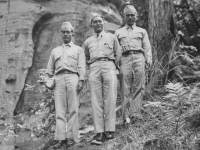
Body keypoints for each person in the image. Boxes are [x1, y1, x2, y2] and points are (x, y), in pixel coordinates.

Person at [45, 21, 86, 149]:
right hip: (58, 79)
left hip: (73, 77)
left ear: (72, 33)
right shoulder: (55, 51)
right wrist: (47, 82)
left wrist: (81, 80)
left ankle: (71, 137)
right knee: (60, 110)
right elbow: (48, 71)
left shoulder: (78, 50)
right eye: (63, 32)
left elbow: (81, 67)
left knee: (73, 109)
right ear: (60, 34)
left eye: (68, 31)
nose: (65, 34)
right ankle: (60, 138)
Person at [83, 13, 121, 145]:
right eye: (95, 22)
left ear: (104, 23)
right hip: (94, 68)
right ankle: (99, 132)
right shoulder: (88, 41)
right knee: (96, 100)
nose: (98, 24)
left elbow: (118, 53)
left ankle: (110, 129)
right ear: (91, 25)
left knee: (110, 98)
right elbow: (85, 57)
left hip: (109, 66)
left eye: (100, 21)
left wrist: (113, 66)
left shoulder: (112, 37)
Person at [115, 5, 152, 124]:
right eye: (127, 15)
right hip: (124, 59)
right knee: (124, 87)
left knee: (139, 85)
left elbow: (146, 46)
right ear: (123, 16)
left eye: (132, 15)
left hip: (139, 57)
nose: (130, 17)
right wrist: (116, 63)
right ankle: (125, 116)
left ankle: (135, 114)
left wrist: (149, 59)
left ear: (136, 16)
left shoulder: (142, 31)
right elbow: (115, 49)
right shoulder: (118, 32)